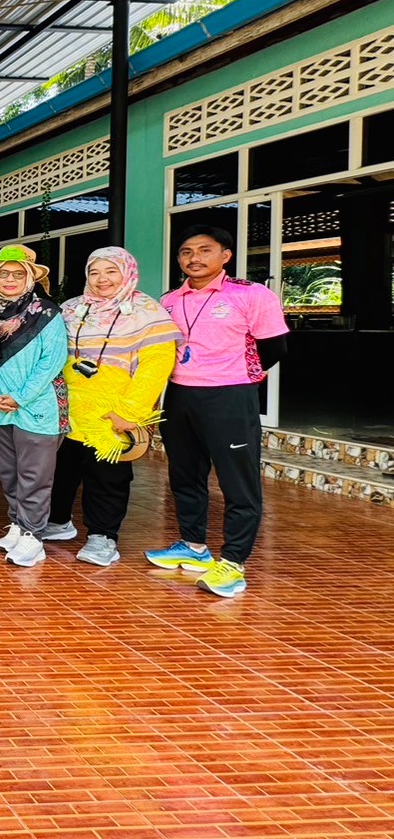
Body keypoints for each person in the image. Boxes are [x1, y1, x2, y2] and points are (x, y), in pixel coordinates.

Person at [147, 225, 289, 598]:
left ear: (225, 255)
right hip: (180, 395)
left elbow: (274, 347)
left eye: (204, 250)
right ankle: (193, 546)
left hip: (229, 397)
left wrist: (237, 375)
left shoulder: (251, 294)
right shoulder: (169, 300)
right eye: (186, 252)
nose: (194, 258)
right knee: (184, 475)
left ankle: (234, 562)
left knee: (237, 482)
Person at [46, 247, 180, 567]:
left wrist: (130, 412)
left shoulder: (147, 312)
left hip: (111, 413)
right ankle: (58, 521)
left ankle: (103, 536)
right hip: (66, 409)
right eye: (94, 272)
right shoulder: (71, 308)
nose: (101, 279)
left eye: (110, 271)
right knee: (60, 470)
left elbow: (156, 365)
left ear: (127, 273)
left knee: (107, 476)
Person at [0, 246, 69, 569]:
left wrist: (19, 396)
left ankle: (34, 535)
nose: (10, 279)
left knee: (35, 474)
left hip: (37, 406)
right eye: (4, 273)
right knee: (8, 472)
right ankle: (18, 524)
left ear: (30, 278)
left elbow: (52, 361)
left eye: (18, 274)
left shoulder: (46, 313)